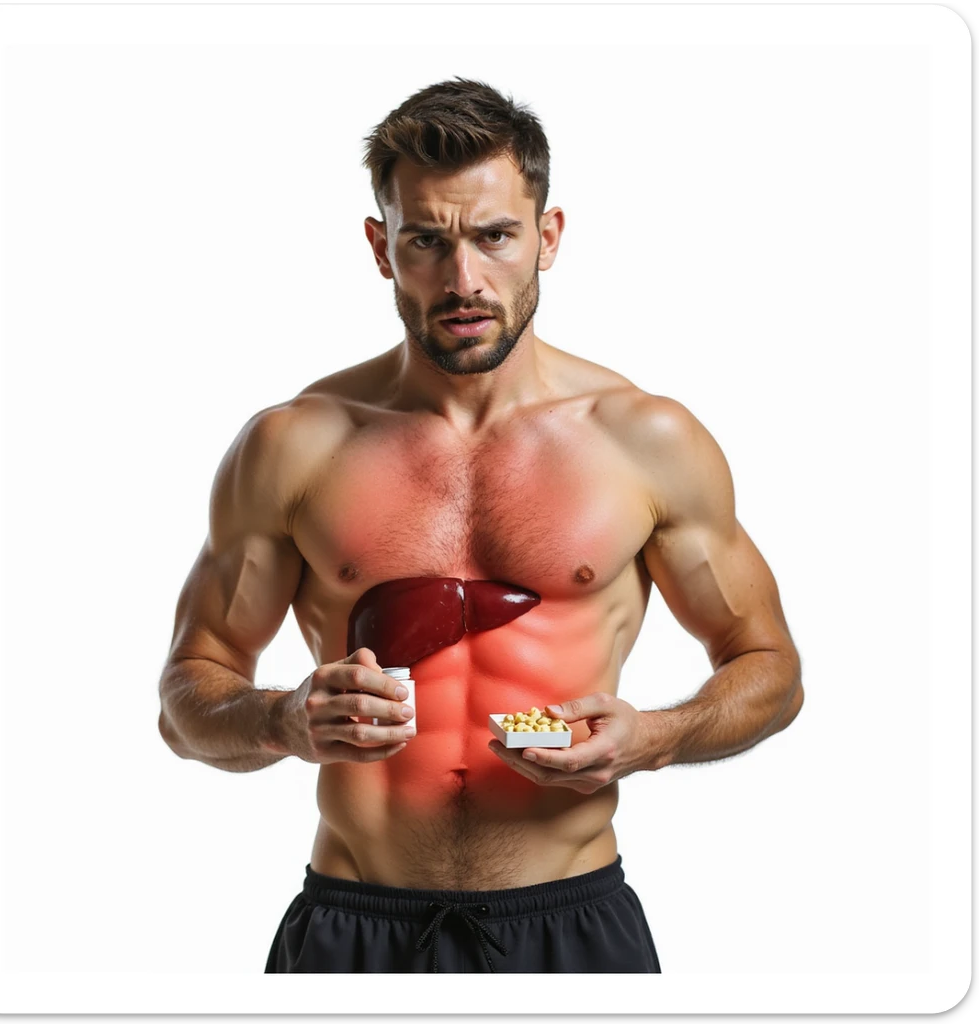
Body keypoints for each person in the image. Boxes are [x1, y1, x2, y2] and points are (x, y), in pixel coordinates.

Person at [157, 78, 803, 974]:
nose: (464, 281)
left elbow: (770, 669)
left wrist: (653, 739)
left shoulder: (645, 440)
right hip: (355, 925)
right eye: (427, 241)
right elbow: (188, 699)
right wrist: (280, 720)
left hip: (573, 921)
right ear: (383, 248)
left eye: (495, 237)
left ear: (548, 236)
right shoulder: (294, 445)